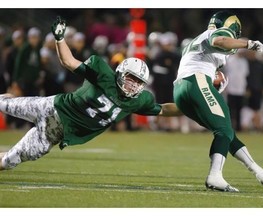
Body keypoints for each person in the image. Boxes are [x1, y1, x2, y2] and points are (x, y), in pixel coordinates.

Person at [0, 16, 182, 171]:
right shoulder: (103, 73)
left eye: (138, 82)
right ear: (121, 72)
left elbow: (164, 109)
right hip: (51, 107)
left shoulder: (139, 100)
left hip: (54, 134)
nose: (133, 85)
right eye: (131, 78)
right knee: (4, 104)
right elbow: (69, 62)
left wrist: (192, 105)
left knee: (7, 162)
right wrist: (59, 38)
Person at [173, 10, 263, 192]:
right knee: (223, 129)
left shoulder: (197, 40)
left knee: (225, 131)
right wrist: (249, 43)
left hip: (181, 89)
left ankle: (257, 170)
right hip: (196, 82)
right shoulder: (219, 33)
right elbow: (219, 41)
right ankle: (215, 176)